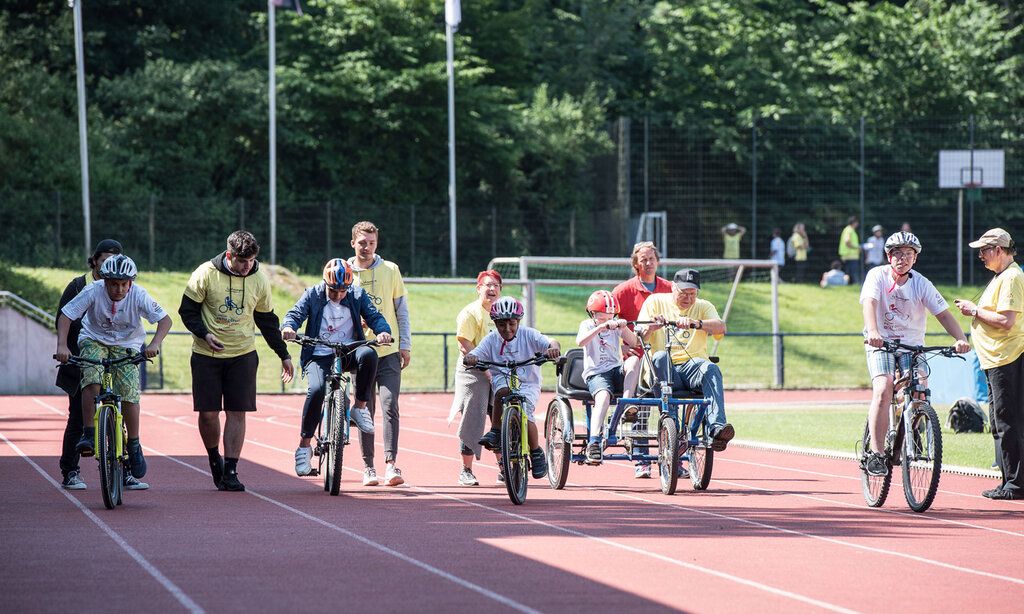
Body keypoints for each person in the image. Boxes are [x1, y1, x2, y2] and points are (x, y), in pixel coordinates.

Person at [178, 230, 294, 492]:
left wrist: (283, 354)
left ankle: (231, 470)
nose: (247, 267)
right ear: (229, 256)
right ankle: (214, 459)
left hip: (243, 354)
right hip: (207, 354)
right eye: (242, 261)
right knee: (208, 414)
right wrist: (204, 334)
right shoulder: (205, 273)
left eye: (251, 261)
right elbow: (187, 311)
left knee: (237, 412)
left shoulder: (259, 279)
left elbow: (267, 321)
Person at [55, 254, 172, 486]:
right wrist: (61, 345)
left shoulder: (139, 294)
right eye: (113, 284)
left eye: (123, 284)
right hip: (94, 340)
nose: (119, 289)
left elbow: (165, 320)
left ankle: (134, 444)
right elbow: (66, 315)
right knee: (91, 377)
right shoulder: (93, 290)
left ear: (131, 283)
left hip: (127, 344)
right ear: (104, 281)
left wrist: (155, 344)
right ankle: (89, 434)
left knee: (129, 392)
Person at [861, 232, 970, 476]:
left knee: (920, 388)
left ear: (915, 258)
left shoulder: (921, 283)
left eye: (908, 254)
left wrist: (960, 338)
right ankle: (876, 454)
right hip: (881, 343)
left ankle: (910, 431)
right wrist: (873, 331)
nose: (903, 258)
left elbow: (943, 314)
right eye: (897, 254)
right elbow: (869, 303)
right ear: (889, 256)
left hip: (912, 345)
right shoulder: (877, 276)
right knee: (883, 387)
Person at [282, 258, 393, 478]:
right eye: (334, 290)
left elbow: (374, 316)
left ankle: (359, 408)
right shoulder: (313, 294)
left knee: (369, 354)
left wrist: (383, 331)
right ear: (325, 283)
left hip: (348, 351)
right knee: (316, 390)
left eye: (343, 290)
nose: (339, 295)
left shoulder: (357, 295)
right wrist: (288, 327)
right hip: (318, 354)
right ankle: (304, 447)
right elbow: (295, 314)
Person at [54, 239, 135, 490]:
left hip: (114, 356)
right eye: (104, 260)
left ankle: (125, 470)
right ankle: (70, 470)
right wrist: (65, 348)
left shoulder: (125, 287)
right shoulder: (80, 286)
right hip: (81, 357)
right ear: (95, 261)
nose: (109, 265)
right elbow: (63, 317)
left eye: (114, 260)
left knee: (121, 410)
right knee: (78, 417)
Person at [954, 228, 1024, 500]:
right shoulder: (1002, 277)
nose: (981, 255)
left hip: (1007, 357)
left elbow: (1006, 320)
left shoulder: (1011, 277)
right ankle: (1008, 480)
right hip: (997, 358)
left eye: (984, 250)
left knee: (1008, 420)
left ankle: (1015, 484)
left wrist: (974, 310)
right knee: (998, 421)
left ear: (998, 249)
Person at [636, 269, 735, 452]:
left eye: (693, 294)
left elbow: (721, 327)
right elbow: (639, 338)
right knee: (660, 356)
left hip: (691, 367)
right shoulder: (655, 301)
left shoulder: (704, 306)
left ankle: (716, 428)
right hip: (663, 369)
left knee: (711, 368)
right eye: (683, 293)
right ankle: (672, 424)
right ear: (673, 288)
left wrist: (697, 323)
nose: (688, 298)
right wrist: (652, 326)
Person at [465, 297, 560, 481]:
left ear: (518, 321)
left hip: (528, 382)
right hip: (503, 377)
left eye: (512, 324)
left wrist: (553, 349)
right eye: (501, 325)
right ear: (495, 323)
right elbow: (475, 353)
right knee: (502, 392)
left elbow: (551, 342)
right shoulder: (491, 339)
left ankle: (536, 451)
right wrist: (471, 358)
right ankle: (495, 431)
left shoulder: (528, 334)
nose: (507, 329)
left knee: (526, 413)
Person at [348, 221, 411, 487]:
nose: (367, 247)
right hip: (360, 353)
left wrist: (405, 344)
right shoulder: (344, 271)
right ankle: (368, 467)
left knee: (389, 405)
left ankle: (391, 464)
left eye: (372, 243)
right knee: (364, 409)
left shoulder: (391, 270)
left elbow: (402, 310)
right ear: (353, 243)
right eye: (362, 243)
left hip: (388, 351)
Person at [612, 241, 672, 478]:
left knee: (671, 403)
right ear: (635, 264)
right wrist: (620, 346)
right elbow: (605, 322)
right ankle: (642, 459)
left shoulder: (670, 289)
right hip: (636, 355)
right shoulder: (623, 291)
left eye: (651, 259)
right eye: (643, 259)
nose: (648, 263)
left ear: (658, 261)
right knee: (642, 403)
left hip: (664, 353)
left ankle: (674, 457)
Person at [446, 270, 503, 486]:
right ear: (479, 289)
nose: (492, 289)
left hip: (499, 369)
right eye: (488, 285)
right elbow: (464, 344)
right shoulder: (470, 313)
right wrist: (484, 367)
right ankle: (466, 470)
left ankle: (505, 468)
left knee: (502, 417)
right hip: (473, 369)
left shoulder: (503, 312)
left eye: (496, 285)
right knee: (473, 417)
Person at [576, 291, 640, 464]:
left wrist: (623, 327)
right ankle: (594, 441)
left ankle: (627, 403)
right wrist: (600, 327)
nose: (607, 321)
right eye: (602, 318)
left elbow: (634, 342)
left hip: (616, 369)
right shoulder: (587, 325)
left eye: (610, 318)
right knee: (603, 397)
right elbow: (580, 342)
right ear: (592, 314)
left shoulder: (616, 327)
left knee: (634, 360)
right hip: (596, 373)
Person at [839, 216, 862, 284]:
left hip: (849, 255)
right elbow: (847, 242)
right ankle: (856, 283)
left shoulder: (849, 230)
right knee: (853, 272)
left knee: (848, 272)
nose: (857, 224)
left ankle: (848, 284)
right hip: (850, 255)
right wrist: (857, 247)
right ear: (853, 222)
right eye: (857, 222)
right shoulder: (849, 230)